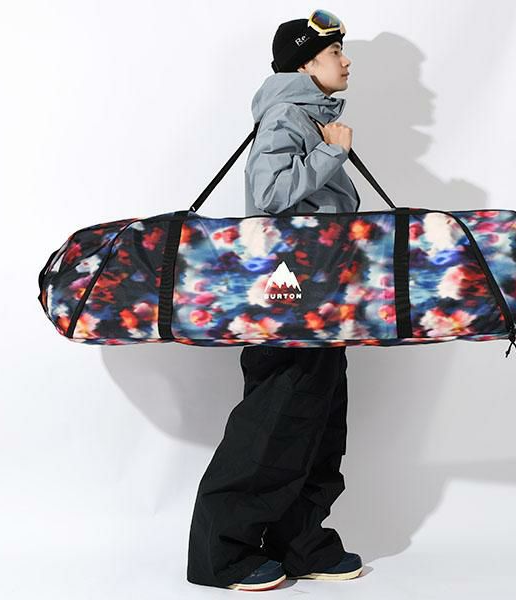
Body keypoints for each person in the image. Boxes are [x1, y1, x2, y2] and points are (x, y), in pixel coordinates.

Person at [186, 9, 363, 591]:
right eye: (335, 53)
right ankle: (223, 555)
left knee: (319, 423)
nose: (346, 62)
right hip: (287, 300)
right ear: (306, 63)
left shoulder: (310, 117)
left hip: (320, 298)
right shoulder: (288, 115)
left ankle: (300, 544)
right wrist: (331, 155)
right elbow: (268, 195)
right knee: (274, 424)